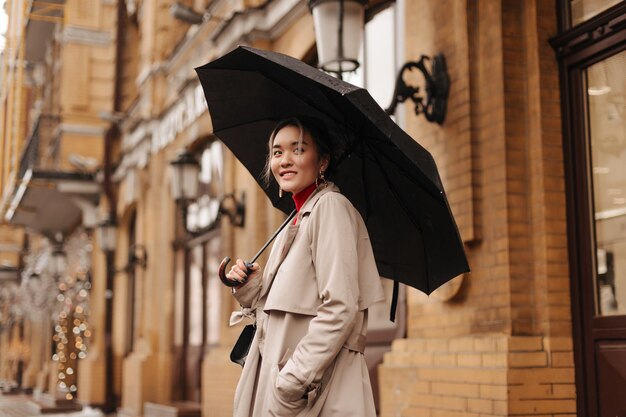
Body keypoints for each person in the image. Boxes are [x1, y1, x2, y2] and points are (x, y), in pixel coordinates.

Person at [224, 117, 385, 417]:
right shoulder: (294, 220)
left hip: (314, 392)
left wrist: (293, 382)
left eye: (298, 149)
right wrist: (250, 288)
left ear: (322, 161)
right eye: (276, 152)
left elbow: (340, 306)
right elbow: (286, 307)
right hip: (286, 387)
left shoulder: (330, 208)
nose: (284, 160)